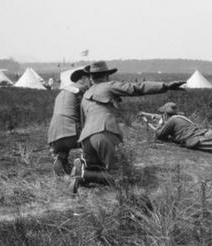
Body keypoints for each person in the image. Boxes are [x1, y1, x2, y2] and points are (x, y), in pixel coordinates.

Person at [69, 61, 185, 193]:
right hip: (104, 132)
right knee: (121, 176)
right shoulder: (108, 86)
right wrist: (165, 86)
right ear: (106, 76)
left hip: (86, 139)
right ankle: (85, 174)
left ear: (91, 77)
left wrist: (84, 147)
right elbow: (137, 88)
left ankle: (84, 173)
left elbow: (83, 121)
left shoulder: (85, 95)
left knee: (97, 168)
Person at [48, 68, 91, 176]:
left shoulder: (62, 92)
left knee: (62, 153)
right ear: (84, 79)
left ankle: (60, 164)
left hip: (53, 135)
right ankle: (82, 168)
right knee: (94, 142)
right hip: (71, 132)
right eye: (91, 79)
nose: (92, 83)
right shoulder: (83, 90)